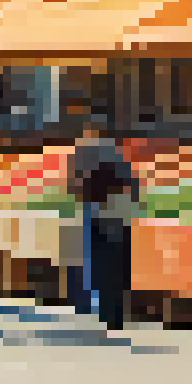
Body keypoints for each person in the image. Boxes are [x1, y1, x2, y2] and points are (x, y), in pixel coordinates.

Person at [73, 126, 140, 331]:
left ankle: (109, 311)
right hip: (117, 220)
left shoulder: (98, 167)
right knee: (116, 268)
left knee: (104, 267)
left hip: (103, 220)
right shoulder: (122, 166)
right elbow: (134, 191)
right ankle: (114, 312)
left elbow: (82, 189)